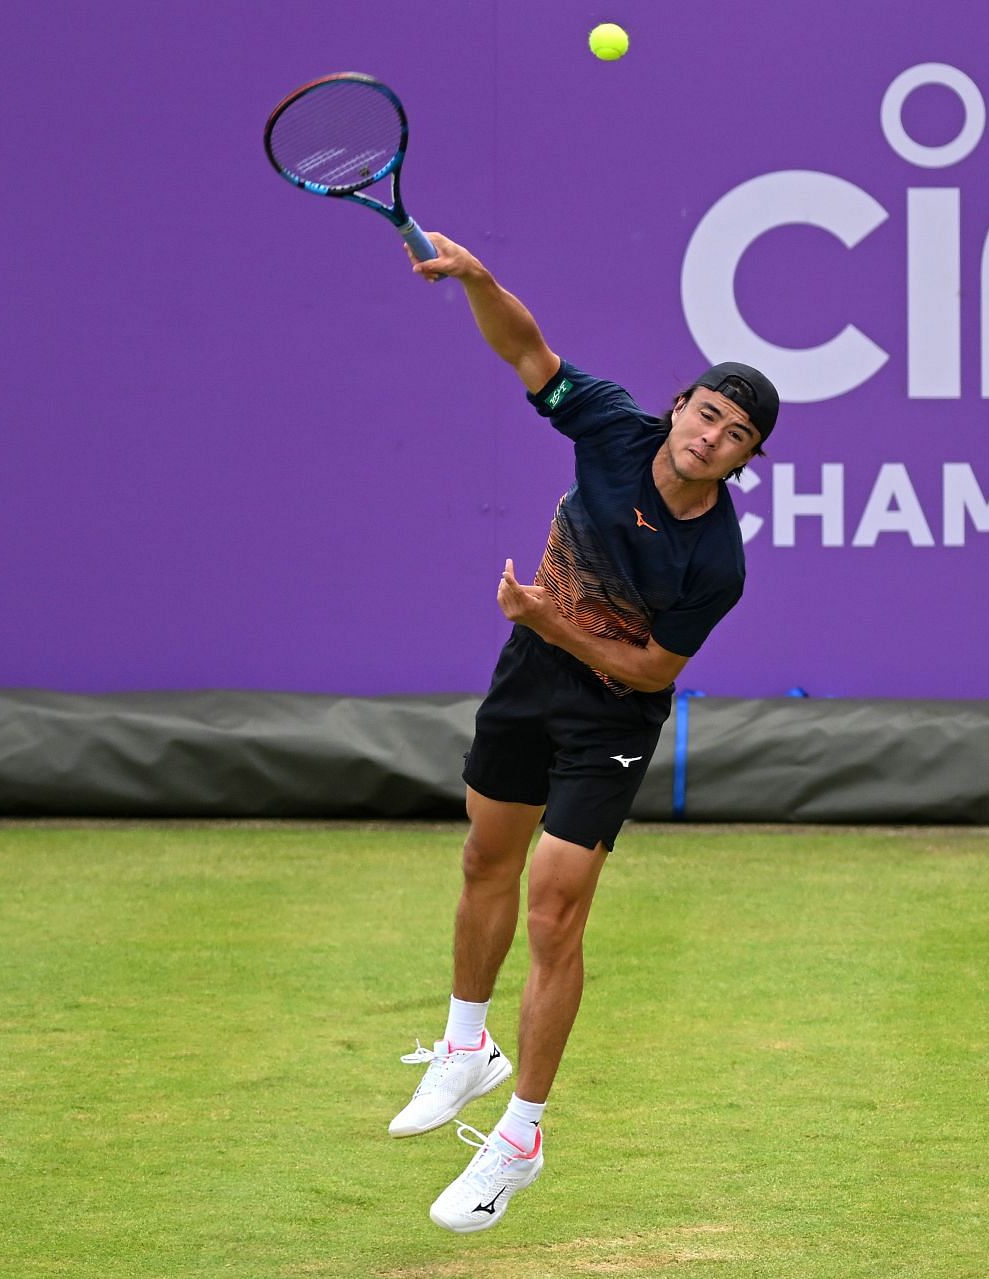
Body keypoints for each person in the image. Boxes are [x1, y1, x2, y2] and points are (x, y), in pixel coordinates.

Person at [388, 232, 777, 1233]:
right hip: (529, 678)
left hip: (610, 713)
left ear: (744, 458)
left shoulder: (717, 561)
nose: (710, 436)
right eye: (706, 412)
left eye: (735, 433)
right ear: (680, 405)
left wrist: (549, 618)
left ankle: (519, 1138)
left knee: (557, 910)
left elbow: (651, 669)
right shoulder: (610, 425)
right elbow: (528, 352)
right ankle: (467, 1045)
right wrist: (477, 279)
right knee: (485, 855)